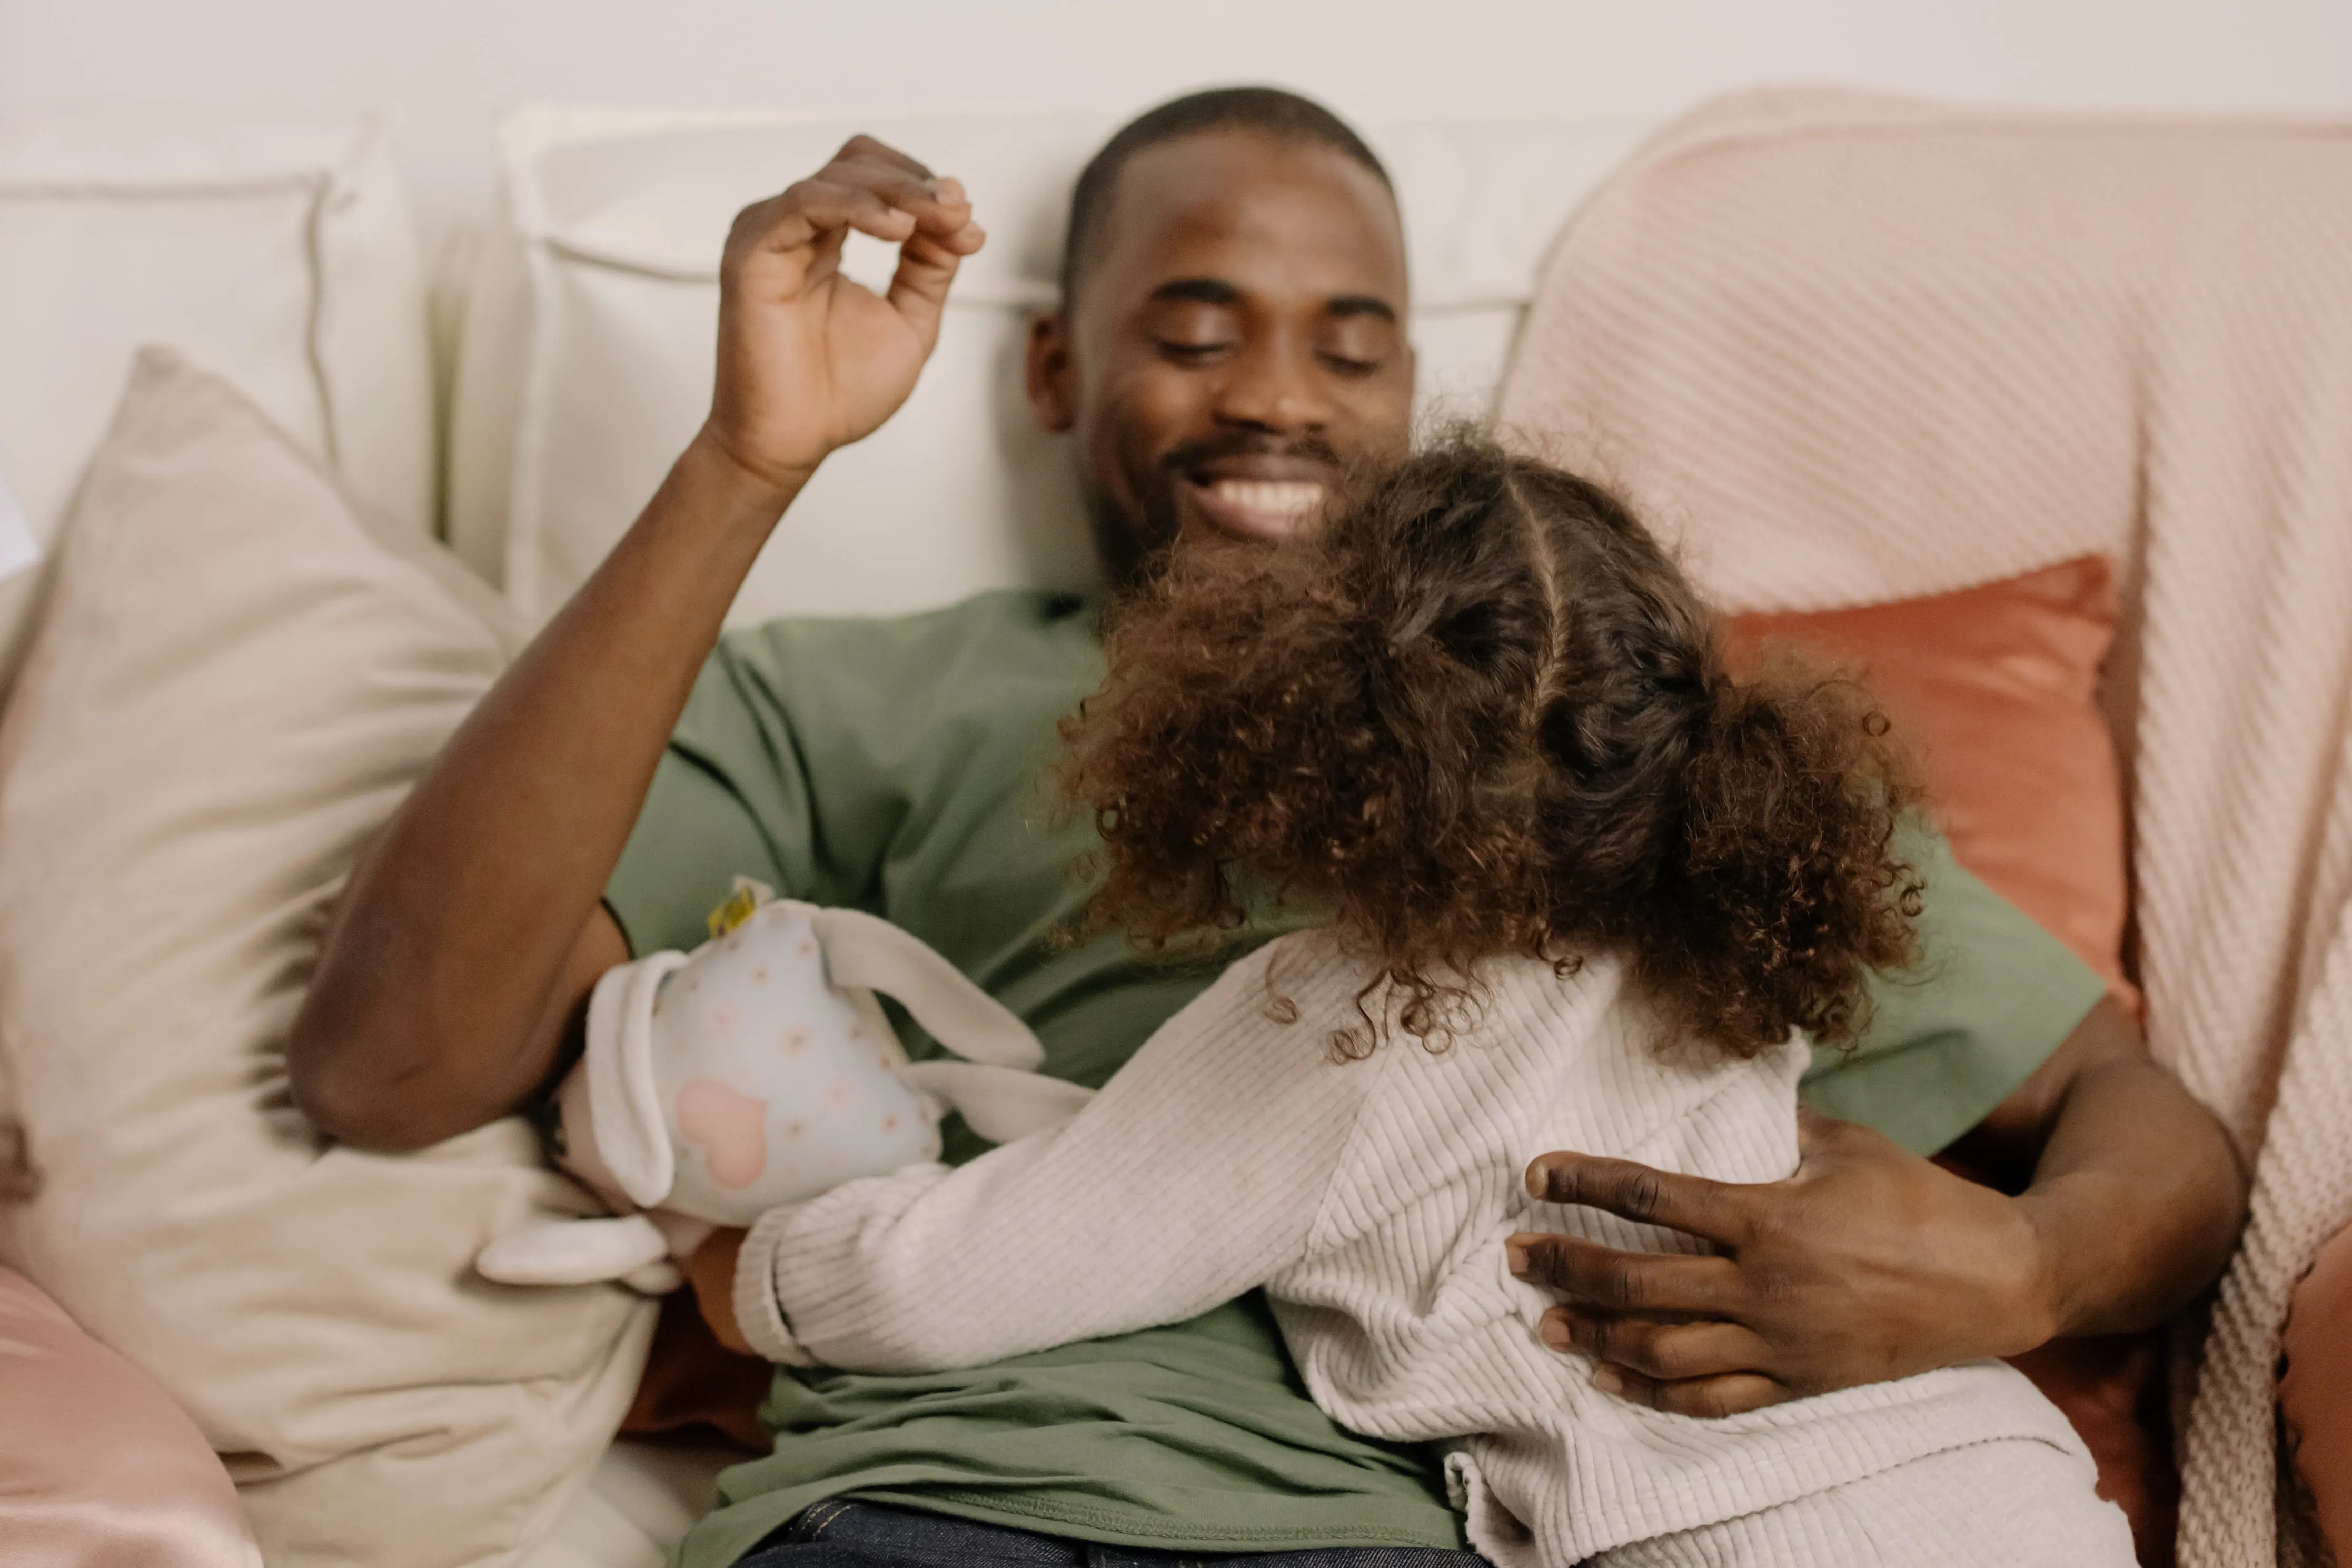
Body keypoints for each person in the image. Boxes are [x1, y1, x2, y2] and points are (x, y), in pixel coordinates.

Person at [287, 87, 2244, 1568]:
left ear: (1424, 395)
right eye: (1198, 328)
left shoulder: (1618, 757)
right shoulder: (876, 695)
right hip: (963, 1498)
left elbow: (2140, 1120)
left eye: (1351, 340)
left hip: (1409, 1532)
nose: (1279, 400)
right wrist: (746, 463)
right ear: (1057, 367)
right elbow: (390, 1062)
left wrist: (2022, 1274)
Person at [709, 436, 2138, 1567]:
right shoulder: (1732, 944)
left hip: (1742, 1542)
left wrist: (750, 1273)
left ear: (1299, 724)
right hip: (2012, 1490)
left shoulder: (1339, 1025)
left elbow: (968, 1272)